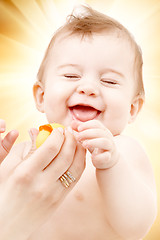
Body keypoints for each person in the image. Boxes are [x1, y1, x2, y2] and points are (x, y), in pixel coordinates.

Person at [5, 5, 157, 240]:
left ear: (132, 108)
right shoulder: (23, 152)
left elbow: (136, 227)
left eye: (109, 81)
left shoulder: (124, 151)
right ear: (41, 96)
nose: (87, 87)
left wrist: (111, 164)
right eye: (71, 76)